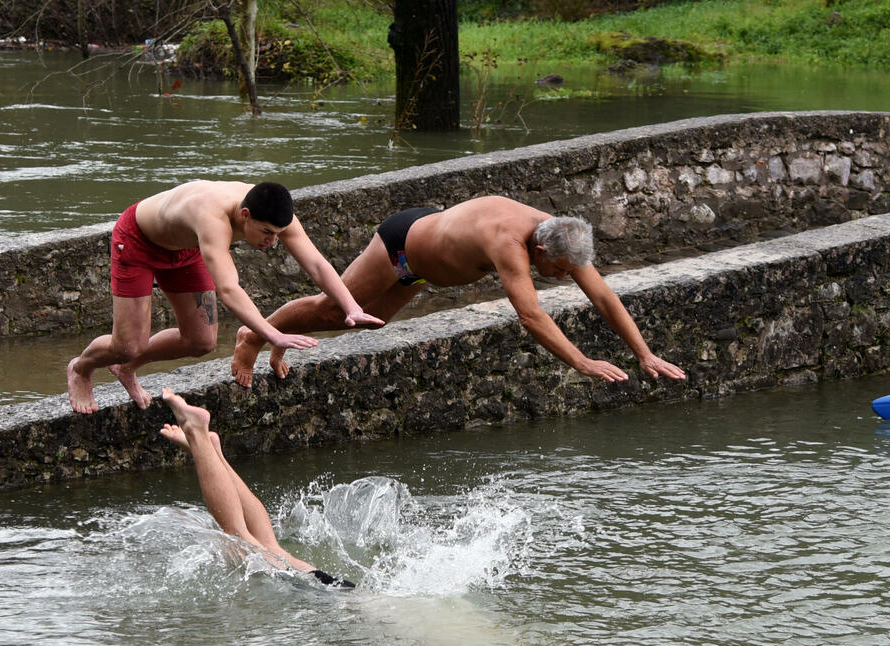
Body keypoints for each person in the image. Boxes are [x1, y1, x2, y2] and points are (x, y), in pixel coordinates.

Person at [231, 195, 686, 387]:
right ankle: (253, 339)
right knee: (335, 310)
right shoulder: (510, 243)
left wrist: (643, 354)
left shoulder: (563, 236)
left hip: (424, 266)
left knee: (374, 321)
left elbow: (604, 296)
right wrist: (581, 361)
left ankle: (271, 339)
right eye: (560, 271)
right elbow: (531, 316)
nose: (565, 277)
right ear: (541, 249)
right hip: (402, 244)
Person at [67, 180, 384, 413]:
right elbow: (229, 289)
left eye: (277, 233)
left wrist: (351, 306)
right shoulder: (213, 218)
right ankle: (81, 368)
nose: (273, 242)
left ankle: (127, 367)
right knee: (127, 344)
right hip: (139, 242)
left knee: (201, 341)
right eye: (267, 233)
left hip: (186, 248)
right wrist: (272, 333)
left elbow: (316, 264)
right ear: (245, 215)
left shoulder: (276, 215)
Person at [160, 387, 355, 588]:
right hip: (341, 600)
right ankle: (196, 432)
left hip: (340, 591)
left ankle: (209, 451)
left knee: (271, 547)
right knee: (237, 538)